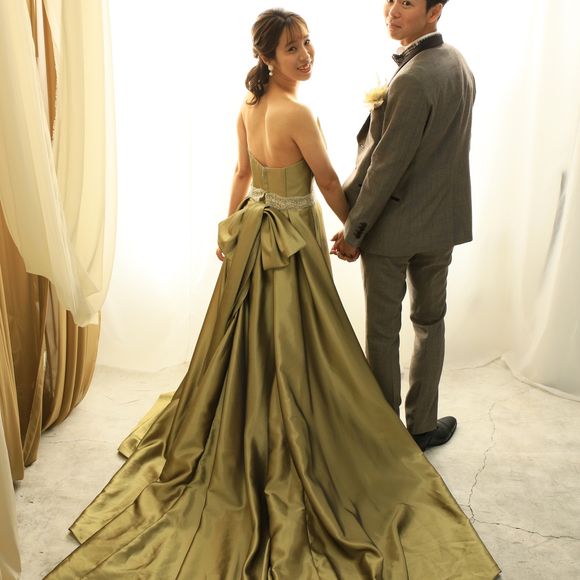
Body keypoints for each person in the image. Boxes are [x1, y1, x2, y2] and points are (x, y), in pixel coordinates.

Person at [45, 9, 499, 579]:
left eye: (307, 43)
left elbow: (242, 174)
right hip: (300, 235)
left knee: (254, 332)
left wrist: (230, 228)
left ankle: (273, 415)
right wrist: (353, 232)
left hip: (258, 231)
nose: (306, 55)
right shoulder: (306, 111)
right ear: (267, 57)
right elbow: (328, 181)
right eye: (292, 49)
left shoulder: (250, 106)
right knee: (311, 332)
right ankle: (361, 426)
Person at [332, 0, 476, 452]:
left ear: (435, 12)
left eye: (407, 3)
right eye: (391, 0)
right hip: (441, 223)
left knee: (382, 331)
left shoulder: (413, 77)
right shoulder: (458, 62)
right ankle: (422, 426)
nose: (392, 10)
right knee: (430, 321)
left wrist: (354, 231)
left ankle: (385, 436)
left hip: (392, 230)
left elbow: (385, 168)